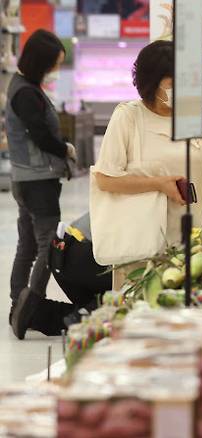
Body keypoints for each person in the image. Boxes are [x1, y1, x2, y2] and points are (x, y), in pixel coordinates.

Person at [91, 40, 202, 288]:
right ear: (152, 81)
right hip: (140, 245)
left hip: (190, 242)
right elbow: (105, 179)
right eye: (174, 83)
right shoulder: (128, 117)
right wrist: (158, 184)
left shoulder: (196, 119)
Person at [8, 30, 78, 340]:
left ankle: (17, 305)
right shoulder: (27, 93)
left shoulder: (24, 86)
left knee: (27, 245)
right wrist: (65, 148)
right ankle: (30, 306)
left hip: (26, 179)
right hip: (38, 182)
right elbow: (40, 134)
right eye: (53, 64)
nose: (55, 70)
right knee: (48, 246)